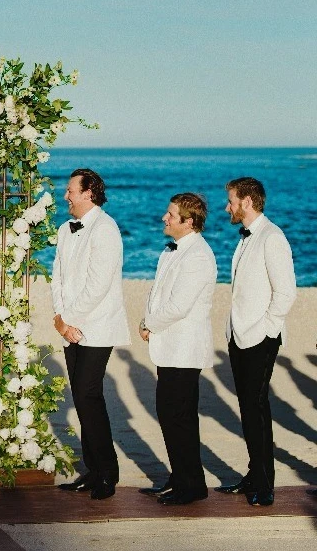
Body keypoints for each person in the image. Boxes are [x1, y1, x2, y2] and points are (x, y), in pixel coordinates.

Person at [215, 177, 296, 507]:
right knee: (248, 409)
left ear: (247, 202)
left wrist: (265, 330)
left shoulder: (272, 237)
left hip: (260, 337)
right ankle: (254, 474)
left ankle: (265, 484)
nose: (227, 207)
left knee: (257, 409)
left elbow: (286, 293)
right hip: (239, 334)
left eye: (231, 201)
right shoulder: (248, 236)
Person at [51, 168, 129, 500]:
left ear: (88, 193)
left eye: (70, 191)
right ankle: (92, 468)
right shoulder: (64, 230)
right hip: (70, 326)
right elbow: (57, 275)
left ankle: (107, 473)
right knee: (81, 397)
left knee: (89, 395)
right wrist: (60, 317)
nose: (65, 195)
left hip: (96, 326)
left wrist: (68, 319)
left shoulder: (106, 229)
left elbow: (98, 285)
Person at [137, 193, 216, 505]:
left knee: (178, 415)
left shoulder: (198, 255)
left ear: (189, 221)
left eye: (171, 215)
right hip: (169, 346)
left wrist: (150, 324)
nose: (164, 218)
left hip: (184, 348)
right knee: (170, 415)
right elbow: (158, 292)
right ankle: (180, 477)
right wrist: (148, 319)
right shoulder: (172, 250)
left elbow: (179, 306)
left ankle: (191, 485)